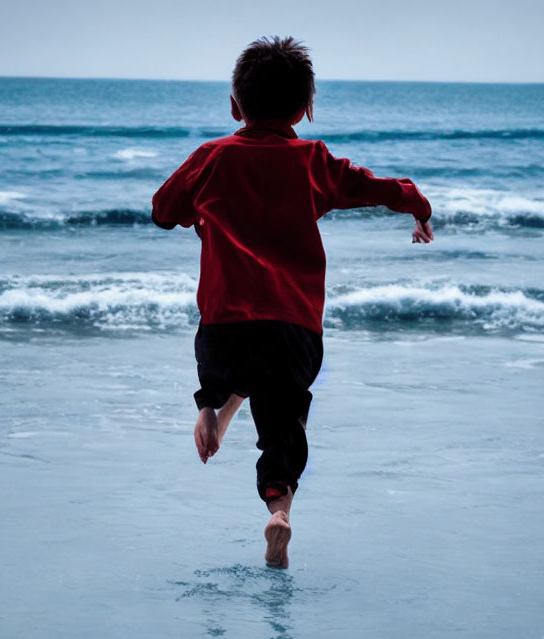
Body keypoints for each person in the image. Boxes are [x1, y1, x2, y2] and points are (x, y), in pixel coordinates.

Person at [151, 36, 433, 568]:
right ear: (306, 109)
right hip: (293, 328)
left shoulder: (210, 158)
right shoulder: (313, 161)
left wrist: (199, 216)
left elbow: (163, 210)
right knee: (284, 426)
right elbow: (379, 188)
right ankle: (279, 510)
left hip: (223, 329)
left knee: (228, 373)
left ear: (235, 105)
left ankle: (210, 406)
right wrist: (419, 206)